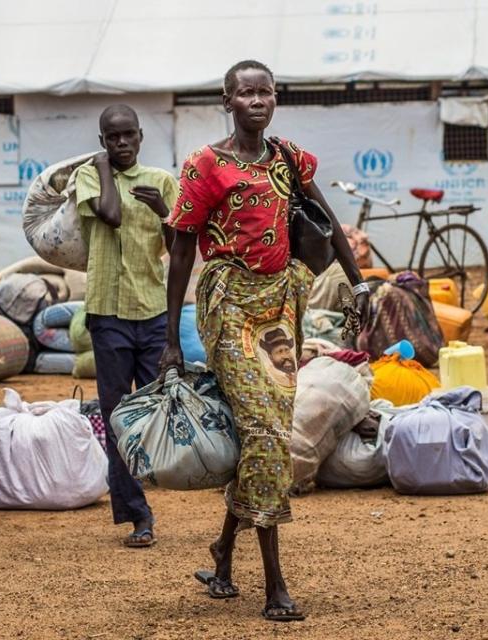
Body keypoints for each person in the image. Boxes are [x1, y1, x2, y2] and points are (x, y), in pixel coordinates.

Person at [159, 60, 371, 622]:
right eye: (245, 92)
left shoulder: (287, 159)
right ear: (227, 101)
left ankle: (224, 552)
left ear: (275, 99)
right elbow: (182, 246)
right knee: (266, 429)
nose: (257, 99)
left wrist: (359, 282)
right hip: (228, 305)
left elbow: (324, 217)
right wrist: (170, 337)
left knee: (268, 429)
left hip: (282, 304)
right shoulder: (205, 166)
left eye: (265, 91)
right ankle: (275, 584)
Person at [75, 104, 179, 548]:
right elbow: (111, 214)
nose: (120, 143)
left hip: (152, 309)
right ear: (102, 141)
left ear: (140, 137)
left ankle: (172, 484)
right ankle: (138, 514)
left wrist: (164, 215)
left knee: (158, 408)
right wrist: (102, 168)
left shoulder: (163, 183)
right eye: (111, 137)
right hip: (108, 313)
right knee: (118, 416)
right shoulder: (88, 176)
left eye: (127, 136)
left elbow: (179, 248)